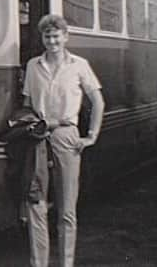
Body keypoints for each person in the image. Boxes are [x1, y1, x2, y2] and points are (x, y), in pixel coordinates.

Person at [22, 14, 105, 267]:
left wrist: (91, 136)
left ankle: (66, 264)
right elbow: (27, 104)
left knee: (67, 208)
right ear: (42, 38)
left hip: (67, 135)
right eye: (47, 36)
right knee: (36, 204)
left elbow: (98, 101)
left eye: (56, 36)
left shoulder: (79, 65)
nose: (52, 41)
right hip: (38, 136)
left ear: (65, 37)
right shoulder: (33, 66)